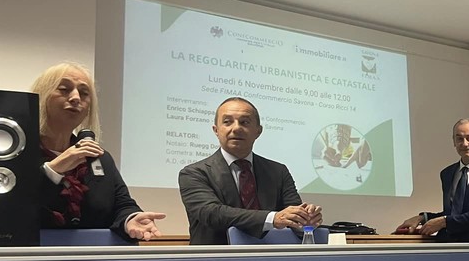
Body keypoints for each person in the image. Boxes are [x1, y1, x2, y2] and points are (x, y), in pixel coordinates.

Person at [31, 62, 165, 241]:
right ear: (42, 96)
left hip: (93, 255)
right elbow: (13, 210)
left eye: (84, 93)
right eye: (64, 89)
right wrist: (52, 172)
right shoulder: (15, 153)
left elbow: (123, 205)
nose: (76, 98)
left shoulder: (98, 158)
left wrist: (130, 219)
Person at [178, 97, 323, 245]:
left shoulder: (278, 172)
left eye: (245, 122)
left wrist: (305, 219)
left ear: (258, 131)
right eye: (227, 122)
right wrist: (273, 218)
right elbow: (212, 213)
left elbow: (293, 219)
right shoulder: (193, 173)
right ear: (216, 130)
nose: (236, 128)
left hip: (272, 256)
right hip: (215, 257)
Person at [395, 118, 469, 242]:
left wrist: (444, 222)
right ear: (454, 142)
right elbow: (454, 213)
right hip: (448, 246)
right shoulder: (447, 174)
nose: (464, 143)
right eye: (459, 139)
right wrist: (422, 218)